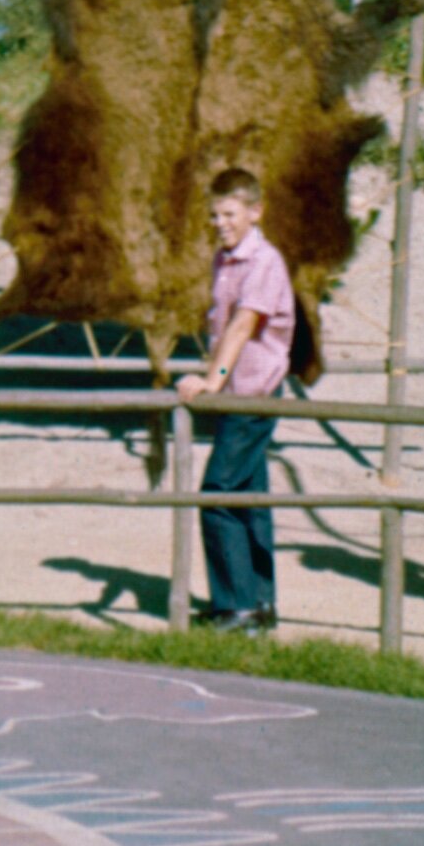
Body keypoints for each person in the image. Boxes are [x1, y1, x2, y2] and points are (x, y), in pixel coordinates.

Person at [177, 167, 294, 632]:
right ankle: (260, 604)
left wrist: (211, 380)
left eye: (229, 214)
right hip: (236, 393)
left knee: (217, 496)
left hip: (253, 393)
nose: (220, 222)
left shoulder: (264, 262)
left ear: (254, 212)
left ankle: (236, 605)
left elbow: (243, 326)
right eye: (214, 214)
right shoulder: (224, 260)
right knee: (248, 499)